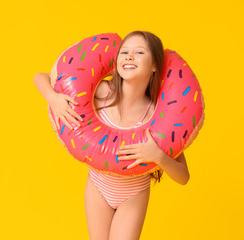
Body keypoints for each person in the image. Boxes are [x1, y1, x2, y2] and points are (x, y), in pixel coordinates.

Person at [33, 31, 190, 240]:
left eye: (139, 52)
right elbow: (39, 77)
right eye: (124, 51)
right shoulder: (102, 91)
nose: (129, 56)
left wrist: (159, 156)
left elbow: (183, 177)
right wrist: (53, 98)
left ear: (154, 66)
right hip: (98, 186)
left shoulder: (156, 116)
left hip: (133, 195)